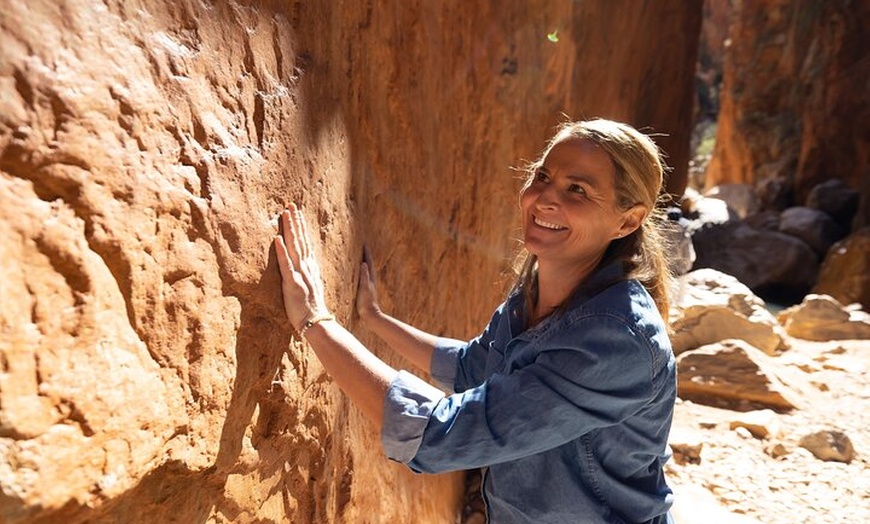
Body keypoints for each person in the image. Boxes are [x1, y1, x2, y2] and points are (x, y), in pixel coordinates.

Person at [274, 118, 677, 523]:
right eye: (543, 176)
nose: (544, 199)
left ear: (628, 221)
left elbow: (441, 437)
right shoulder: (534, 292)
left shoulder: (614, 340)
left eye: (578, 190)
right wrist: (375, 319)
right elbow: (473, 368)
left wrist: (316, 321)